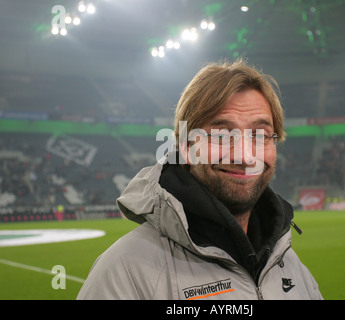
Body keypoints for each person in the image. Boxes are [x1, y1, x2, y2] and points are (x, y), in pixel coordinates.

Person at [77, 59, 323, 300]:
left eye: (260, 135)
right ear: (186, 147)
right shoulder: (125, 271)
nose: (245, 156)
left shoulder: (292, 268)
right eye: (221, 134)